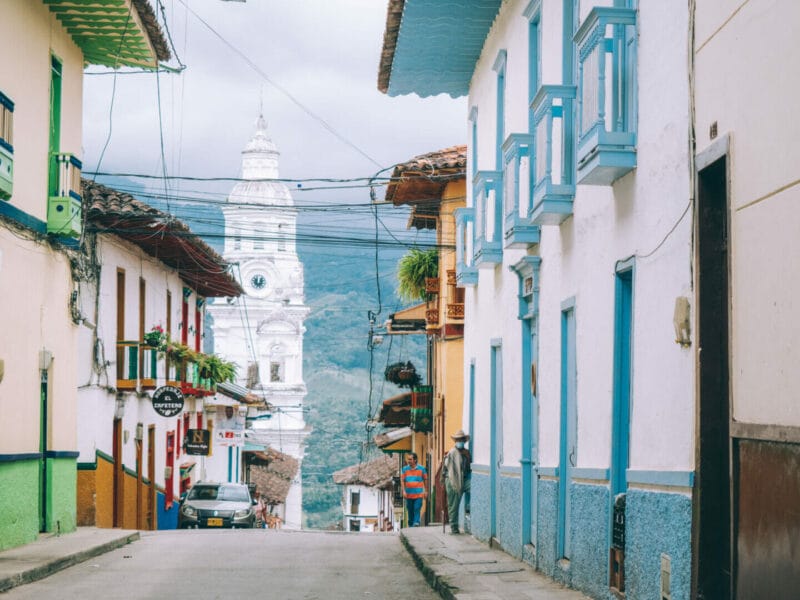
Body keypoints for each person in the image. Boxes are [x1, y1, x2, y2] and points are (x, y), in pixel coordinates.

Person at [442, 429, 471, 534]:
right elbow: (448, 468)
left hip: (464, 479)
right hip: (452, 480)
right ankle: (454, 527)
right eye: (458, 440)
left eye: (462, 440)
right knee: (453, 505)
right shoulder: (452, 453)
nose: (460, 441)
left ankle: (468, 508)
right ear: (455, 441)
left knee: (474, 488)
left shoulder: (466, 453)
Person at [400, 452, 428, 527]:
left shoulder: (422, 469)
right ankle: (411, 524)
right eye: (408, 459)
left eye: (410, 459)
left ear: (415, 460)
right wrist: (403, 491)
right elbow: (402, 480)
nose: (408, 461)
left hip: (418, 494)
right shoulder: (404, 469)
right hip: (408, 494)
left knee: (417, 508)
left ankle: (416, 523)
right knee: (410, 510)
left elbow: (425, 479)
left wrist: (426, 491)